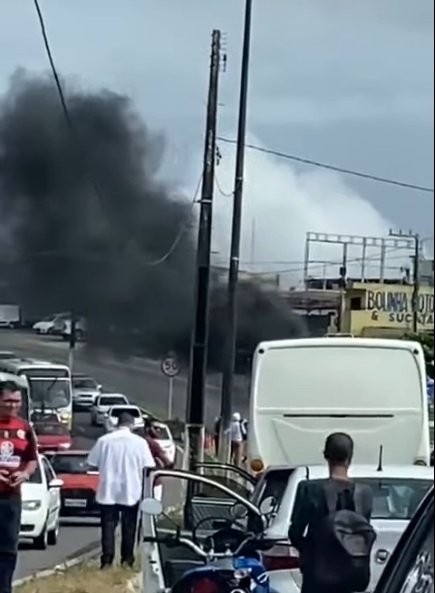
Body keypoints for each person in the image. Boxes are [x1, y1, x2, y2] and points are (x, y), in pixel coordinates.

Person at [289, 433, 374, 593]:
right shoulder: (365, 494)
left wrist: (311, 551)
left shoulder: (310, 490)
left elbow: (295, 533)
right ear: (350, 456)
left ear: (326, 455)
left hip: (317, 576)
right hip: (352, 574)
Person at [87, 412, 155, 569]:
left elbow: (91, 461)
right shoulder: (140, 443)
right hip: (131, 490)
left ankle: (107, 560)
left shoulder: (104, 441)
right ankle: (127, 559)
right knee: (129, 527)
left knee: (108, 527)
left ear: (117, 424)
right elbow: (149, 466)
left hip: (108, 490)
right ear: (131, 425)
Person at [0, 380, 38, 593]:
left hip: (11, 498)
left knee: (7, 550)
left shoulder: (24, 428)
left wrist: (24, 474)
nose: (13, 406)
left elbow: (32, 459)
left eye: (17, 402)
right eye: (8, 401)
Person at [143, 418, 173, 502]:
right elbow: (167, 461)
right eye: (154, 428)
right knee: (155, 504)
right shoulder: (153, 444)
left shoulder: (138, 441)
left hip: (138, 481)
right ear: (148, 429)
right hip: (154, 479)